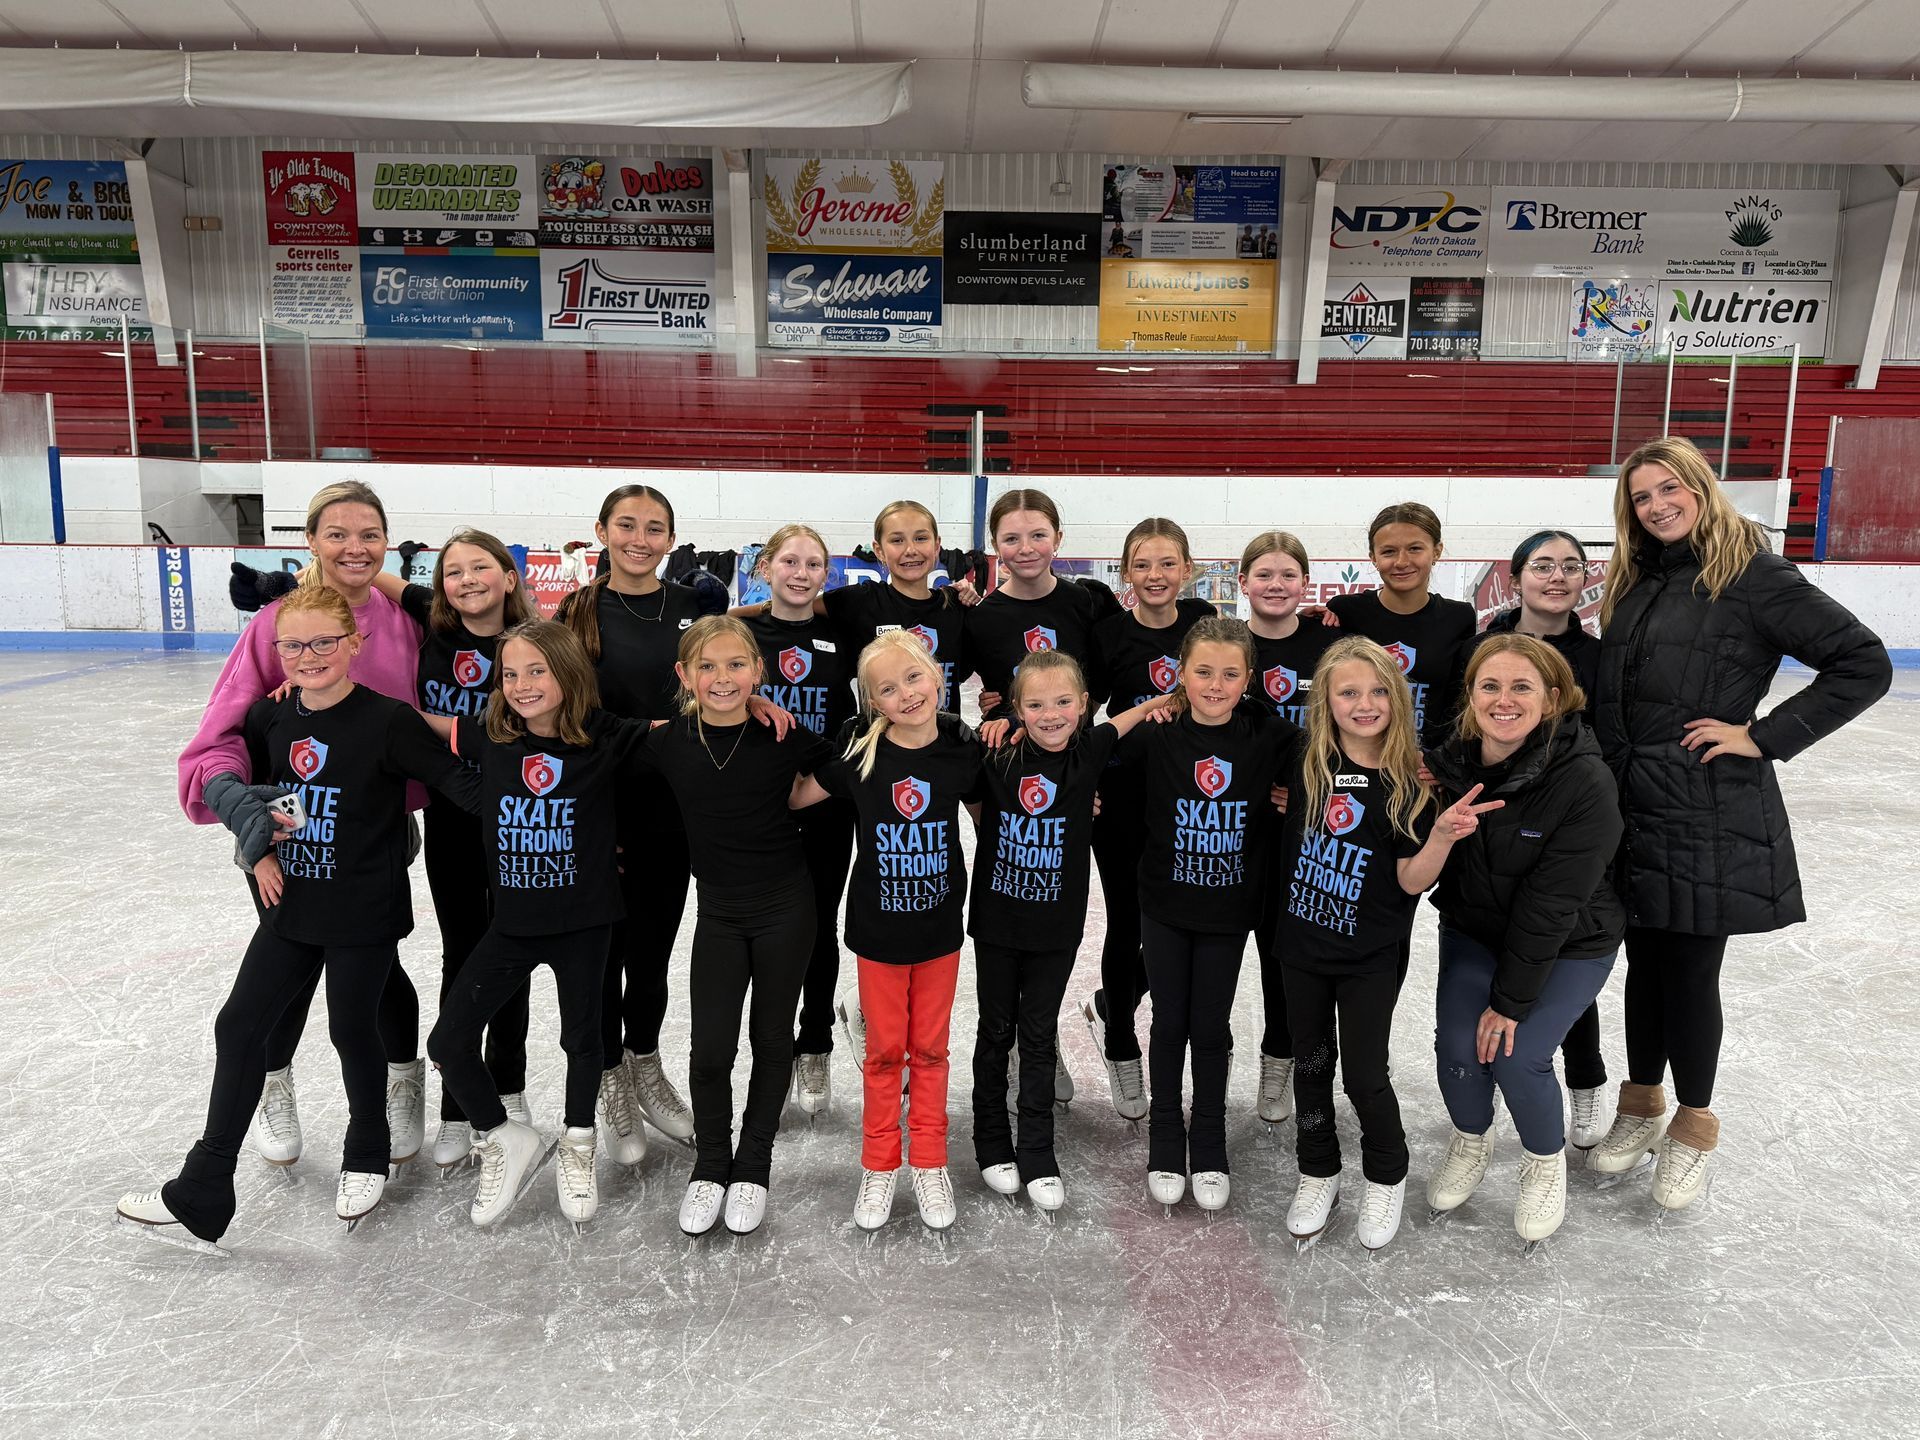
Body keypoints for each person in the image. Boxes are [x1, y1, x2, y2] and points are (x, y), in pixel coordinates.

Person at [118, 586, 478, 1253]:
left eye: (322, 642)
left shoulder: (390, 720)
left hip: (364, 910)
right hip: (292, 902)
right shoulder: (268, 719)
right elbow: (251, 793)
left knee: (352, 1027)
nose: (308, 655)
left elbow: (461, 788)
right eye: (293, 645)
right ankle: (203, 1186)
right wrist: (254, 852)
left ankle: (367, 1151)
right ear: (276, 652)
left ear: (354, 645)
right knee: (239, 1025)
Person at [1591, 437, 1891, 1209]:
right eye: (1641, 497)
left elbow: (1863, 662)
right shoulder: (1634, 579)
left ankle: (1693, 1126)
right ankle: (1641, 1103)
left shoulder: (1753, 574)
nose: (1656, 505)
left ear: (1700, 486)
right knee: (1644, 966)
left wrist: (1761, 736)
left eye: (1668, 489)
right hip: (1631, 807)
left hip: (1704, 810)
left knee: (1689, 973)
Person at [176, 479, 430, 1173]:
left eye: (368, 534)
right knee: (285, 959)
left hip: (378, 826)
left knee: (374, 967)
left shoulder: (406, 619)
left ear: (386, 543)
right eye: (337, 534)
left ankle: (402, 1080)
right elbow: (224, 734)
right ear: (310, 541)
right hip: (286, 829)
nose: (354, 547)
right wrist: (240, 807)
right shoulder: (277, 624)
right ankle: (273, 1084)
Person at [425, 621, 654, 1230]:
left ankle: (578, 1147)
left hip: (587, 923)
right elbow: (407, 725)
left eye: (537, 671)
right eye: (510, 674)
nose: (522, 685)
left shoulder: (605, 736)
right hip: (514, 926)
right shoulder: (490, 736)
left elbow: (686, 733)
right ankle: (504, 1137)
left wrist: (751, 698)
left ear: (568, 672)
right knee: (448, 1041)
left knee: (585, 1043)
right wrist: (321, 693)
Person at [1423, 633, 1625, 1246]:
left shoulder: (1583, 780)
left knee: (1516, 1050)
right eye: (1490, 686)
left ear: (1555, 696)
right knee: (1459, 1046)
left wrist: (1510, 1002)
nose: (1503, 700)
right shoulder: (1448, 761)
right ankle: (1470, 1140)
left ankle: (1543, 1161)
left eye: (1521, 687)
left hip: (1569, 940)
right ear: (1471, 695)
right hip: (1476, 929)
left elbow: (1552, 906)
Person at [1278, 637, 1479, 1251]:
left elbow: (1410, 879)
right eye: (1348, 693)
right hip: (1300, 947)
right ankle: (1318, 1171)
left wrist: (1441, 836)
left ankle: (1385, 1175)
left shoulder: (1410, 781)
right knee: (1310, 1069)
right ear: (1326, 702)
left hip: (1369, 954)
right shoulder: (1303, 760)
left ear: (1396, 698)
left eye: (1375, 692)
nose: (1363, 704)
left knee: (1365, 1075)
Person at [636, 618, 829, 1238]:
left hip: (785, 908)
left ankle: (752, 1164)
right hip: (718, 911)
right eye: (709, 667)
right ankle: (712, 1164)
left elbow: (856, 760)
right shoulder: (667, 742)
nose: (723, 679)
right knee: (712, 1045)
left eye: (737, 666)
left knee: (772, 1039)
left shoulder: (785, 735)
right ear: (685, 675)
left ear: (758, 671)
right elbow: (592, 762)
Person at [792, 631, 984, 1233]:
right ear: (871, 701)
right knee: (883, 1054)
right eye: (887, 687)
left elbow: (995, 814)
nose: (906, 693)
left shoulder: (960, 751)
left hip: (939, 929)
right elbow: (797, 797)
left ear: (937, 678)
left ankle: (927, 1160)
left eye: (914, 678)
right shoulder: (858, 756)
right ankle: (880, 1162)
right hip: (877, 929)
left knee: (929, 1051)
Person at [968, 651, 1169, 1213]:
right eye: (1035, 704)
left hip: (1057, 925)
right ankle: (990, 1142)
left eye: (1063, 703)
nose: (1050, 714)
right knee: (995, 1030)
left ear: (1083, 705)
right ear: (1016, 708)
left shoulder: (1091, 749)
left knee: (1037, 1033)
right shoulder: (998, 754)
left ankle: (1037, 1150)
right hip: (998, 920)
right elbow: (955, 778)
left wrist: (1161, 701)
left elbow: (1120, 723)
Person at [1114, 615, 1299, 1214]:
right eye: (1202, 673)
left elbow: (1334, 763)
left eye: (1229, 674)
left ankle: (1210, 1137)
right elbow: (1085, 758)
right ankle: (1167, 1133)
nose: (1215, 685)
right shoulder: (1156, 734)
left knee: (1211, 1025)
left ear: (1249, 679)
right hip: (1164, 904)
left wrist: (1298, 795)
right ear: (1180, 675)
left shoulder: (1268, 737)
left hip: (1228, 909)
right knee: (1170, 1021)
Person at [368, 531, 540, 1175]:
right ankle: (455, 1106)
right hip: (451, 817)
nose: (467, 581)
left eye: (481, 569)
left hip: (520, 814)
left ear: (508, 576)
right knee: (461, 952)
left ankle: (510, 1086)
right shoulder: (429, 622)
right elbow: (387, 581)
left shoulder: (535, 644)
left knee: (513, 948)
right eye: (453, 573)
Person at [555, 485, 701, 1161]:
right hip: (599, 811)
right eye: (626, 525)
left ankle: (646, 1062)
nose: (639, 539)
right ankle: (610, 1074)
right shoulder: (577, 611)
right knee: (601, 959)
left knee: (652, 958)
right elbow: (566, 717)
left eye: (654, 528)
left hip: (672, 811)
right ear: (602, 530)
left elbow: (725, 678)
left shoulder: (694, 606)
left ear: (671, 539)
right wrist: (650, 734)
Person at [962, 487, 1120, 1107]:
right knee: (1017, 918)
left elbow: (1111, 681)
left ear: (1058, 537)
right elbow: (972, 695)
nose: (1025, 549)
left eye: (1037, 535)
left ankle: (1060, 1022)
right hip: (1018, 792)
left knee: (1073, 914)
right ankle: (1031, 1044)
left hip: (1082, 773)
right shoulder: (979, 618)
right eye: (1010, 538)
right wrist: (993, 719)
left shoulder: (1090, 602)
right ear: (994, 546)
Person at [1470, 529, 1608, 1149]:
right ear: (1518, 576)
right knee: (1506, 947)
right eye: (1542, 566)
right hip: (1498, 830)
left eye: (1571, 567)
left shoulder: (1601, 659)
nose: (1557, 577)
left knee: (1561, 954)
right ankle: (1484, 1106)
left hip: (1570, 823)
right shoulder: (1483, 646)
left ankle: (1582, 1081)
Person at [1084, 517, 1217, 1121]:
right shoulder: (1107, 634)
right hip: (1124, 797)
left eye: (1167, 564)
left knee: (1185, 917)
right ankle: (1120, 1043)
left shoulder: (1206, 623)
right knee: (1126, 924)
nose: (1155, 575)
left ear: (1187, 570)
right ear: (1125, 573)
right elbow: (1075, 714)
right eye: (1142, 565)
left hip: (1193, 798)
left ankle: (1114, 1001)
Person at [741, 524, 859, 1120]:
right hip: (759, 805)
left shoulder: (843, 629)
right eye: (789, 560)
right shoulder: (740, 629)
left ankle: (814, 1043)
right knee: (766, 932)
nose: (801, 572)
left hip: (827, 802)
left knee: (818, 925)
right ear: (766, 566)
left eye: (814, 564)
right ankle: (771, 1050)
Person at [1238, 529, 1338, 1129]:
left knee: (1282, 951)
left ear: (1306, 582)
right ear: (1242, 581)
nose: (1276, 586)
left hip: (1304, 828)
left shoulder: (1332, 643)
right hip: (1231, 822)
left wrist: (1307, 794)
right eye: (1264, 575)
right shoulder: (1225, 642)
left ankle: (1279, 1057)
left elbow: (1353, 728)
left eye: (1288, 576)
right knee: (1211, 936)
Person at [1326, 501, 1477, 748]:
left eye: (1415, 548)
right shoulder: (1346, 610)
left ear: (1437, 551)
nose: (1401, 561)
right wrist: (1300, 619)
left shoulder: (1459, 617)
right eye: (1388, 552)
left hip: (1426, 765)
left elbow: (1459, 702)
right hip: (1359, 760)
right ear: (1373, 557)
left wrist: (1442, 760)